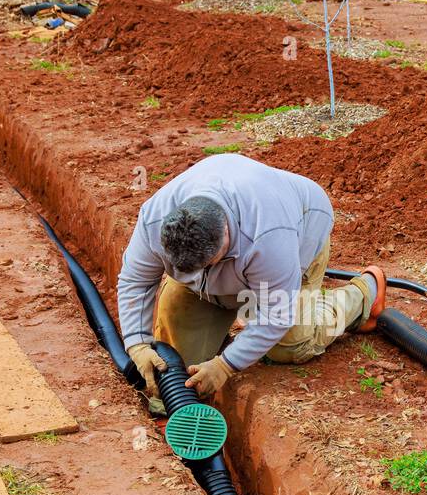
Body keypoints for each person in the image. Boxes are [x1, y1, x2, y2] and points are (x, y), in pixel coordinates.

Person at [117, 153, 385, 402]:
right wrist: (137, 344)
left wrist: (224, 365)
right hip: (234, 268)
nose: (196, 275)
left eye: (204, 266)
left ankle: (362, 295)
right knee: (180, 365)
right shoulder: (154, 218)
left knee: (290, 346)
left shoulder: (269, 238)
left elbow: (275, 317)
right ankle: (218, 322)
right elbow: (135, 281)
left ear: (223, 237)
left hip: (301, 233)